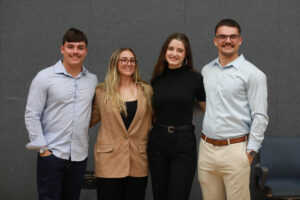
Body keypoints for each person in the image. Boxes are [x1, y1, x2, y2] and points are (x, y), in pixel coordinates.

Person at [198, 19, 269, 200]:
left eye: (232, 36)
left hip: (236, 150)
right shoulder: (206, 71)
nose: (227, 40)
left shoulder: (253, 74)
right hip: (206, 150)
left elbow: (260, 116)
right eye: (222, 36)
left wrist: (250, 152)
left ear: (240, 40)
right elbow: (206, 106)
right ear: (215, 41)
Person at [24, 28, 98, 200]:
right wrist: (43, 149)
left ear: (85, 51)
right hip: (52, 155)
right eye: (70, 46)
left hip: (79, 157)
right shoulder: (44, 77)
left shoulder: (92, 80)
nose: (75, 51)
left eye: (80, 47)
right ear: (62, 49)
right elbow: (32, 114)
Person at [148, 33, 206, 200]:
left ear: (186, 54)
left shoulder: (195, 78)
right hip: (158, 141)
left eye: (179, 50)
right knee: (160, 195)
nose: (174, 53)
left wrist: (185, 116)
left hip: (183, 142)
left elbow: (204, 108)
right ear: (165, 51)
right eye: (171, 49)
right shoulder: (157, 77)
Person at [89, 48, 153, 200]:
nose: (128, 63)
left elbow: (158, 119)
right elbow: (87, 120)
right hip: (108, 161)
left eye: (132, 60)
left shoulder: (147, 91)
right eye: (124, 60)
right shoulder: (101, 92)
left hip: (138, 161)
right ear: (115, 63)